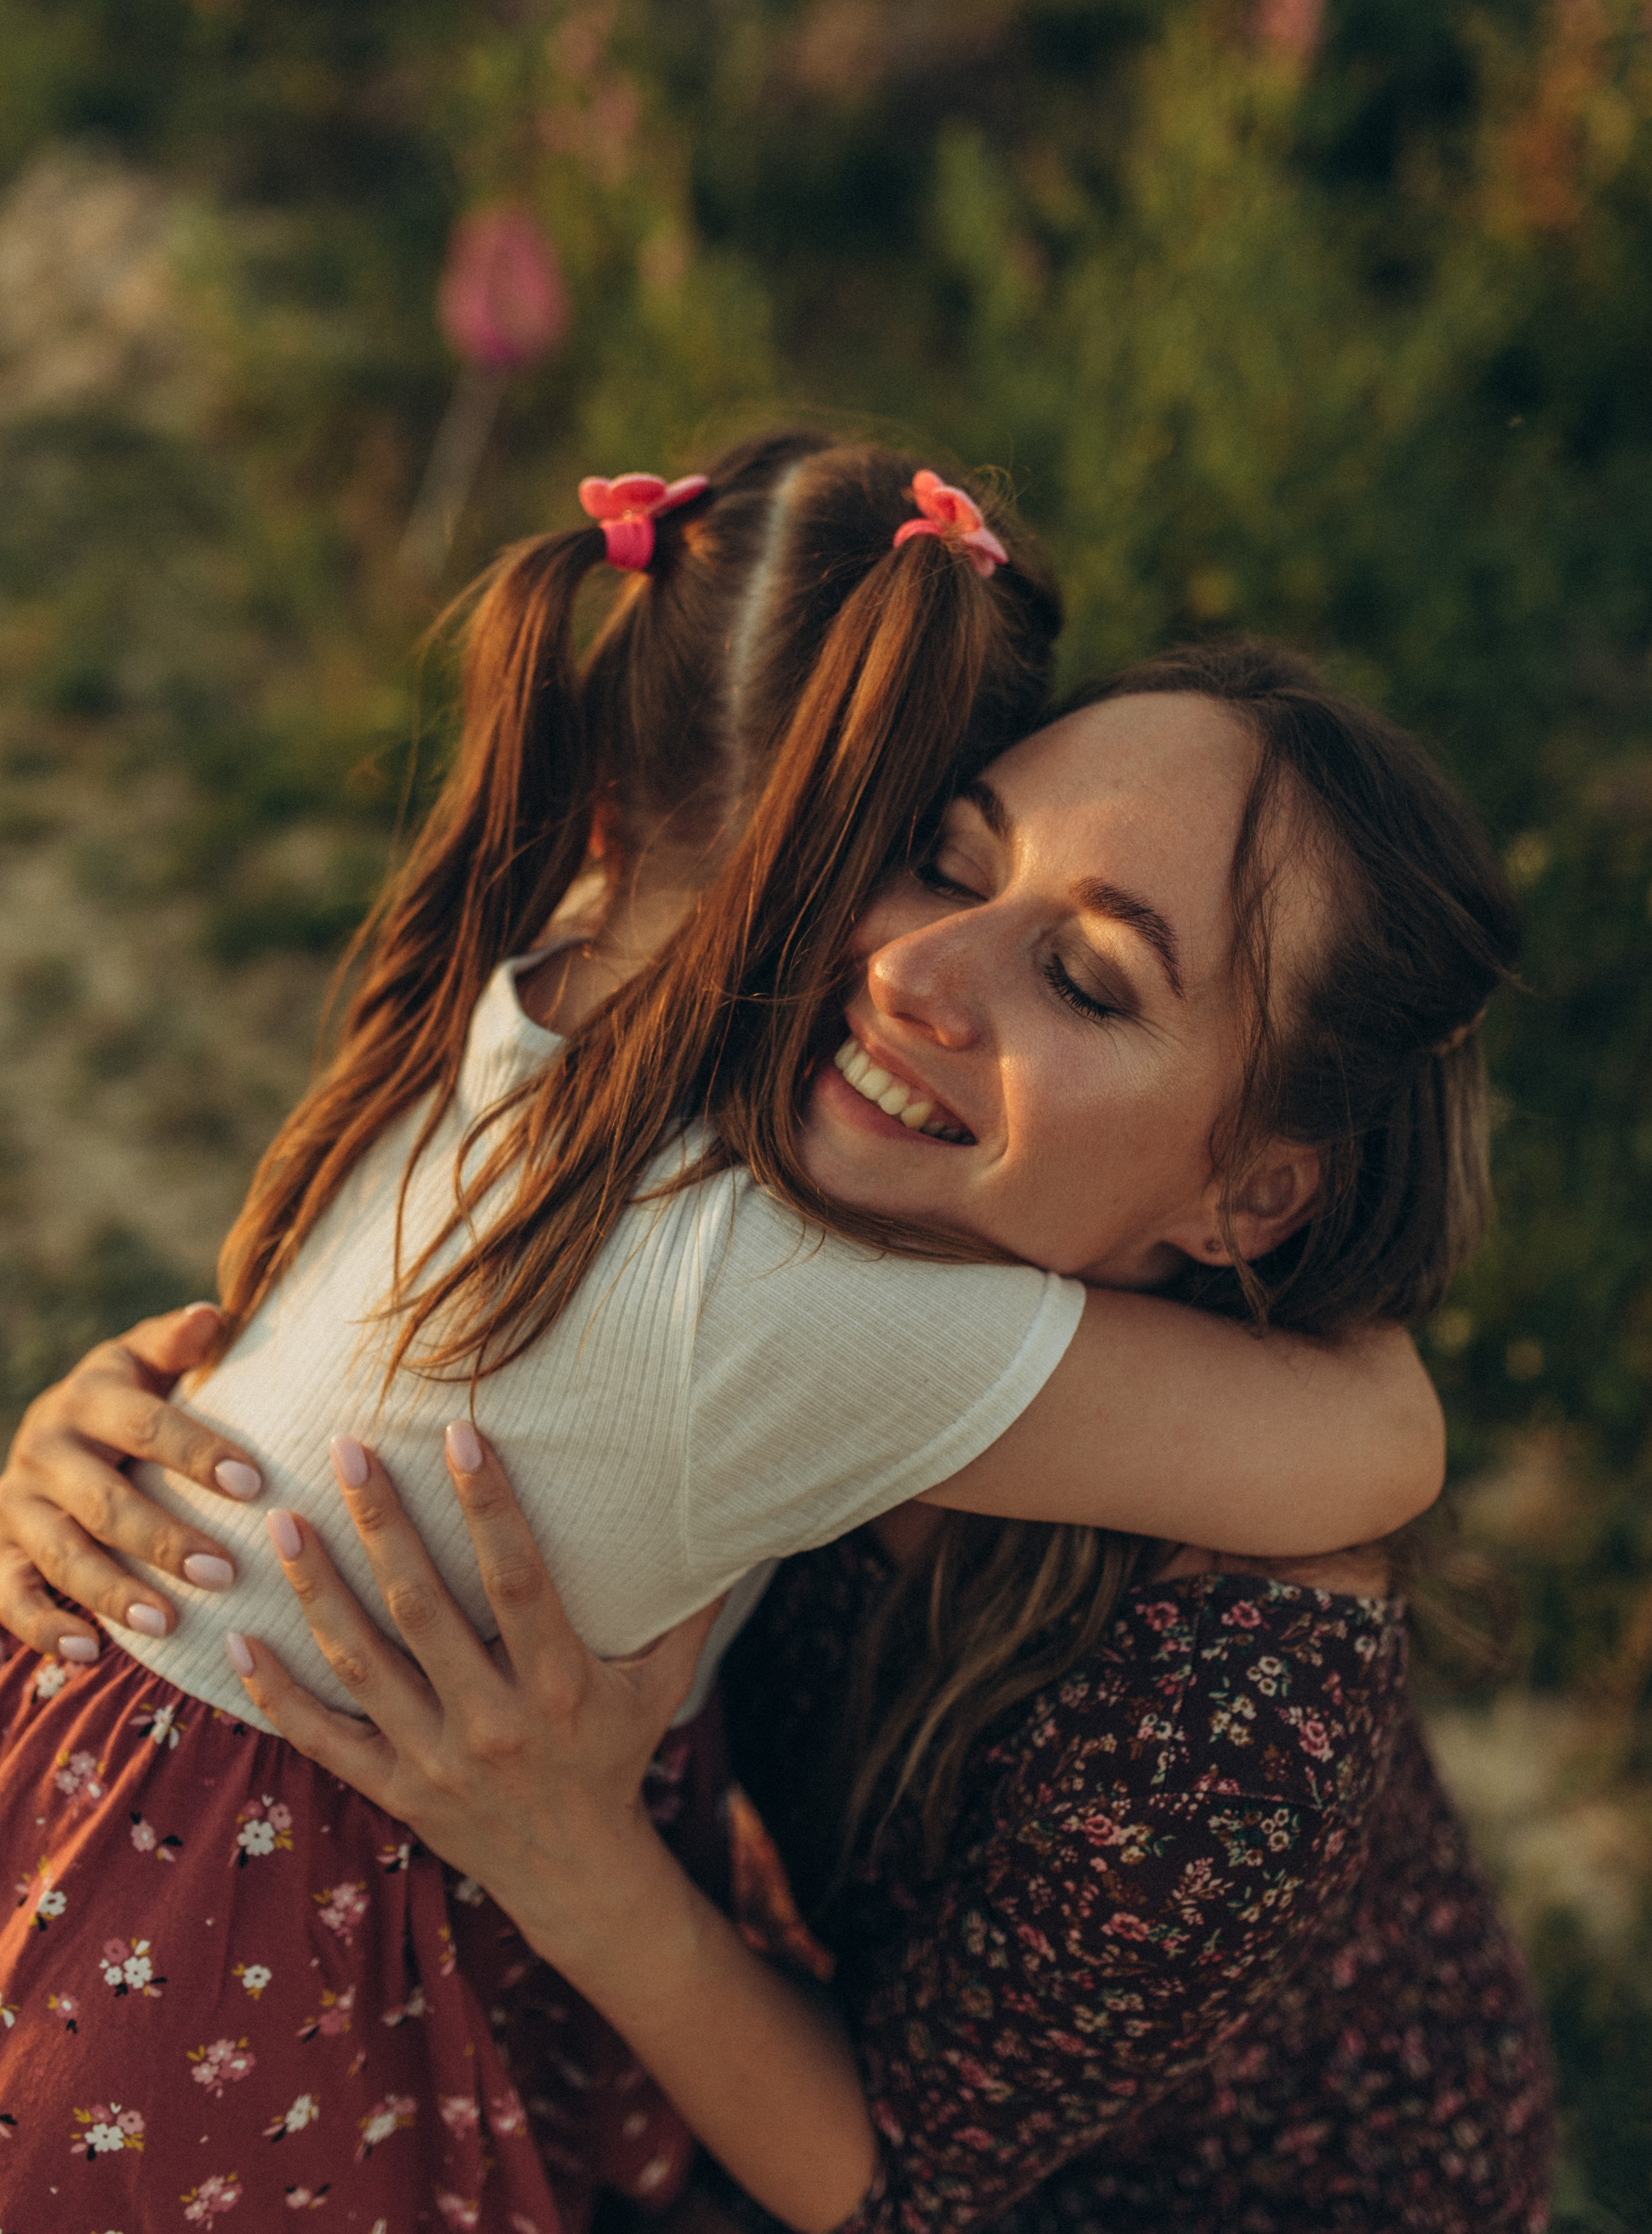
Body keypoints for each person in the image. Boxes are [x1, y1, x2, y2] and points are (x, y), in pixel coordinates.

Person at [0, 428, 1440, 2234]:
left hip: (106, 1824)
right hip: (228, 1946)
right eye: (936, 856)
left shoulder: (531, 980)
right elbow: (1382, 1432)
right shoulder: (769, 1281)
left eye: (1082, 974)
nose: (916, 973)